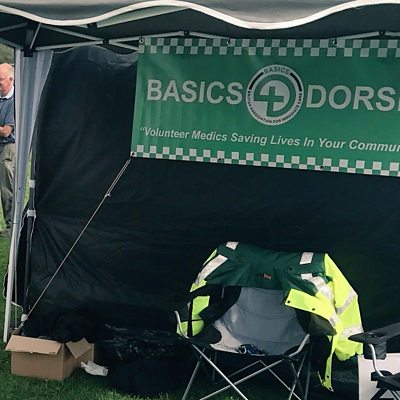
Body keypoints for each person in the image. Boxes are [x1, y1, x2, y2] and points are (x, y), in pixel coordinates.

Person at [0, 63, 15, 236]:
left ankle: (11, 226)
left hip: (8, 147)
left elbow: (6, 131)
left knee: (6, 188)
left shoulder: (15, 101)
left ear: (11, 79)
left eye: (1, 79)